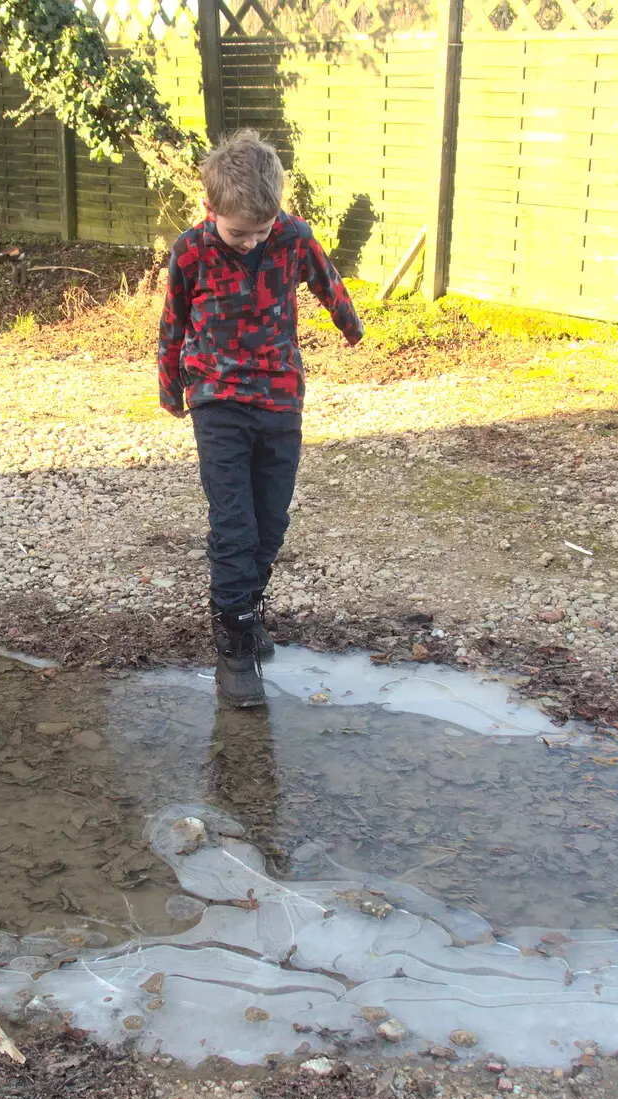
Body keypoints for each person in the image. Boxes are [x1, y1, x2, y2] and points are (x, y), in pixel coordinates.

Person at [158, 130, 364, 707]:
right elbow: (173, 322)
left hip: (279, 398)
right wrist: (171, 387)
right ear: (210, 210)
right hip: (218, 400)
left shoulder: (294, 238)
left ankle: (249, 609)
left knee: (270, 524)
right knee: (235, 526)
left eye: (261, 231)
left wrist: (350, 325)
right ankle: (234, 648)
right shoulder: (191, 250)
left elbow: (328, 282)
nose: (250, 243)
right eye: (238, 232)